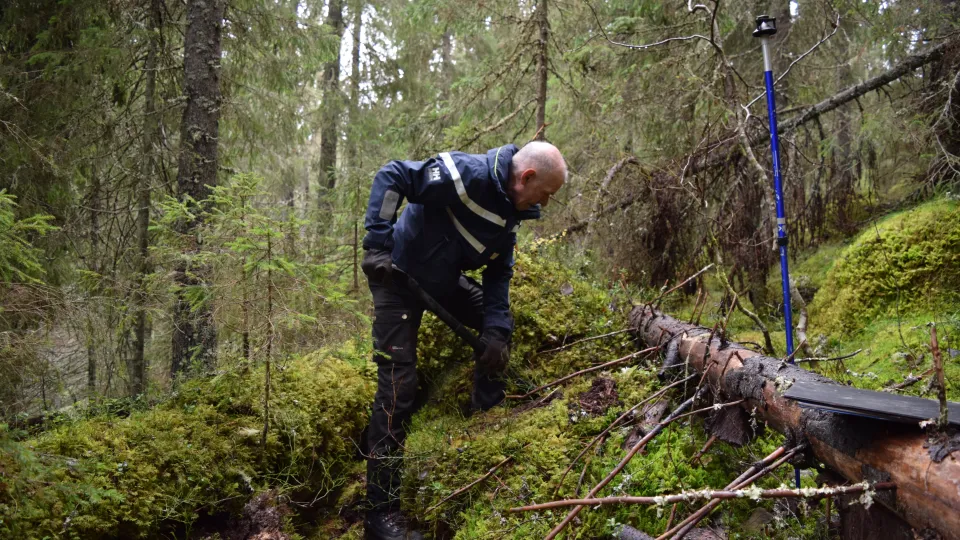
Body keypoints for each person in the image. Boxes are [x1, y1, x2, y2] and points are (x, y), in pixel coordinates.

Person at [359, 141, 567, 540]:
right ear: (526, 177)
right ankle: (379, 513)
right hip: (396, 277)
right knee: (398, 387)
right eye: (545, 193)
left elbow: (499, 274)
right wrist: (377, 245)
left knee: (497, 329)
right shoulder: (463, 175)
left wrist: (496, 332)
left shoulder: (511, 213)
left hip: (441, 281)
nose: (545, 203)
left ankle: (485, 415)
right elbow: (393, 175)